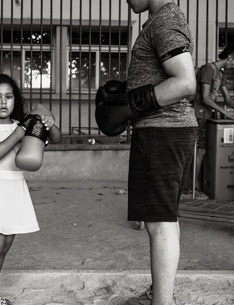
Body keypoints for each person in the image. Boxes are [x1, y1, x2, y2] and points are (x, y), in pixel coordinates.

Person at [95, 0, 198, 304]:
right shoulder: (160, 20)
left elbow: (185, 82)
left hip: (163, 129)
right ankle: (160, 294)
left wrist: (132, 104)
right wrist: (130, 88)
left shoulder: (166, 20)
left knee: (158, 222)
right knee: (165, 218)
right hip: (164, 129)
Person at [0, 74, 61, 305]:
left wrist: (48, 121)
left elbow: (56, 138)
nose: (4, 102)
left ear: (15, 99)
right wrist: (21, 131)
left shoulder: (22, 124)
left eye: (8, 96)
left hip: (16, 188)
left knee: (5, 245)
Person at [188, 45, 234, 198]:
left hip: (207, 116)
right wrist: (225, 112)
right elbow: (205, 98)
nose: (232, 65)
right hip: (198, 113)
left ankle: (197, 186)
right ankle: (194, 188)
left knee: (203, 151)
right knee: (200, 151)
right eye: (233, 62)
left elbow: (227, 98)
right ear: (229, 57)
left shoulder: (221, 75)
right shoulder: (208, 69)